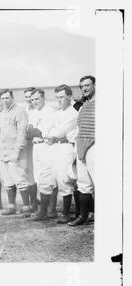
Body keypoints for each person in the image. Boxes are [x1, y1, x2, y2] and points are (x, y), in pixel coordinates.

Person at [44, 85, 78, 224]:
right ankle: (69, 211)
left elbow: (59, 132)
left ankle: (66, 213)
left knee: (66, 179)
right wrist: (51, 135)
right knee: (55, 178)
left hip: (66, 147)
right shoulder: (57, 113)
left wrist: (53, 135)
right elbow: (45, 130)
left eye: (62, 97)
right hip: (56, 148)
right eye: (57, 97)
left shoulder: (73, 112)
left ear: (69, 96)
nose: (59, 100)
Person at [0, 89, 31, 217]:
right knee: (7, 180)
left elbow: (22, 134)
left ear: (12, 97)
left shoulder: (20, 111)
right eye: (3, 99)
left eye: (7, 98)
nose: (5, 101)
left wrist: (16, 152)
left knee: (20, 179)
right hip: (3, 153)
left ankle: (26, 207)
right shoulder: (2, 112)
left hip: (16, 152)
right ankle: (11, 207)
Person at [27, 88, 58, 221]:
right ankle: (48, 210)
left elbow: (40, 132)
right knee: (39, 177)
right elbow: (29, 132)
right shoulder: (32, 112)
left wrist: (32, 130)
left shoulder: (50, 111)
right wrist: (31, 131)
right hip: (36, 146)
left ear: (43, 98)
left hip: (47, 145)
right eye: (32, 99)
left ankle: (46, 211)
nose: (34, 101)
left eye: (37, 99)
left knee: (48, 177)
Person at [69, 76, 95, 226]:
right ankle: (83, 216)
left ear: (95, 85)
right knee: (83, 182)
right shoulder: (83, 105)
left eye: (87, 85)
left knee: (100, 181)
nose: (84, 88)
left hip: (95, 145)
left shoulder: (102, 102)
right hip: (81, 144)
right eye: (81, 86)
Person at [22, 87, 40, 216]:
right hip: (28, 143)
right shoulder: (25, 110)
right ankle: (32, 202)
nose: (29, 100)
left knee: (40, 172)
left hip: (40, 143)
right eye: (27, 97)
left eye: (31, 97)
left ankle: (45, 203)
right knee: (28, 173)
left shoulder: (39, 110)